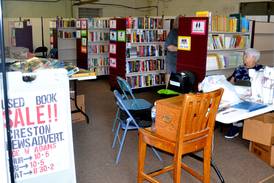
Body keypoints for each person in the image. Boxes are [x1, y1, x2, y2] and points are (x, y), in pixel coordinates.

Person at [225, 48, 264, 139]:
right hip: (237, 92)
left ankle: (236, 125)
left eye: (247, 56)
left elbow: (261, 86)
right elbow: (231, 81)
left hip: (250, 94)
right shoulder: (239, 68)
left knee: (241, 103)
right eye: (244, 56)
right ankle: (235, 122)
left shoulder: (260, 70)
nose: (244, 58)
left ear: (254, 59)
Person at [164, 15, 180, 86]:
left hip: (180, 60)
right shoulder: (173, 32)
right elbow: (169, 47)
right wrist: (182, 49)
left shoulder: (185, 32)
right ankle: (167, 91)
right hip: (171, 59)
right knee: (169, 74)